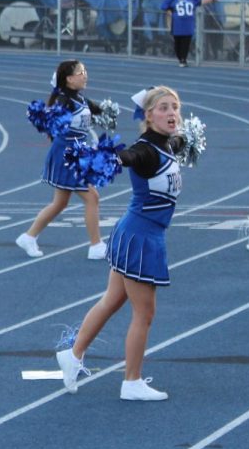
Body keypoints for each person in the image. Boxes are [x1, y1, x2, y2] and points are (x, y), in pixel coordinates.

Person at [55, 86, 186, 401]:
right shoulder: (146, 151)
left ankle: (73, 354)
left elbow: (180, 141)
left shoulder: (168, 143)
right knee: (145, 313)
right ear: (148, 115)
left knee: (112, 300)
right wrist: (109, 156)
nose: (171, 113)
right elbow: (129, 155)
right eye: (163, 108)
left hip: (137, 232)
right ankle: (132, 381)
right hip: (141, 237)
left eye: (175, 108)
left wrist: (185, 134)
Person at [15, 60, 108, 261]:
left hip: (78, 153)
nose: (85, 75)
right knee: (92, 198)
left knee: (60, 203)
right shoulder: (64, 101)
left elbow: (101, 111)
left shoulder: (80, 99)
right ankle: (96, 245)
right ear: (68, 78)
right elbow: (51, 124)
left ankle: (29, 236)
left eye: (85, 71)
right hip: (68, 155)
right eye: (80, 72)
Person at [161, 0, 215, 67]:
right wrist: (169, 11)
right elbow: (164, 6)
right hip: (177, 25)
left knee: (186, 43)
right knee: (178, 44)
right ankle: (180, 58)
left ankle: (183, 60)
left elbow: (201, 1)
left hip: (188, 25)